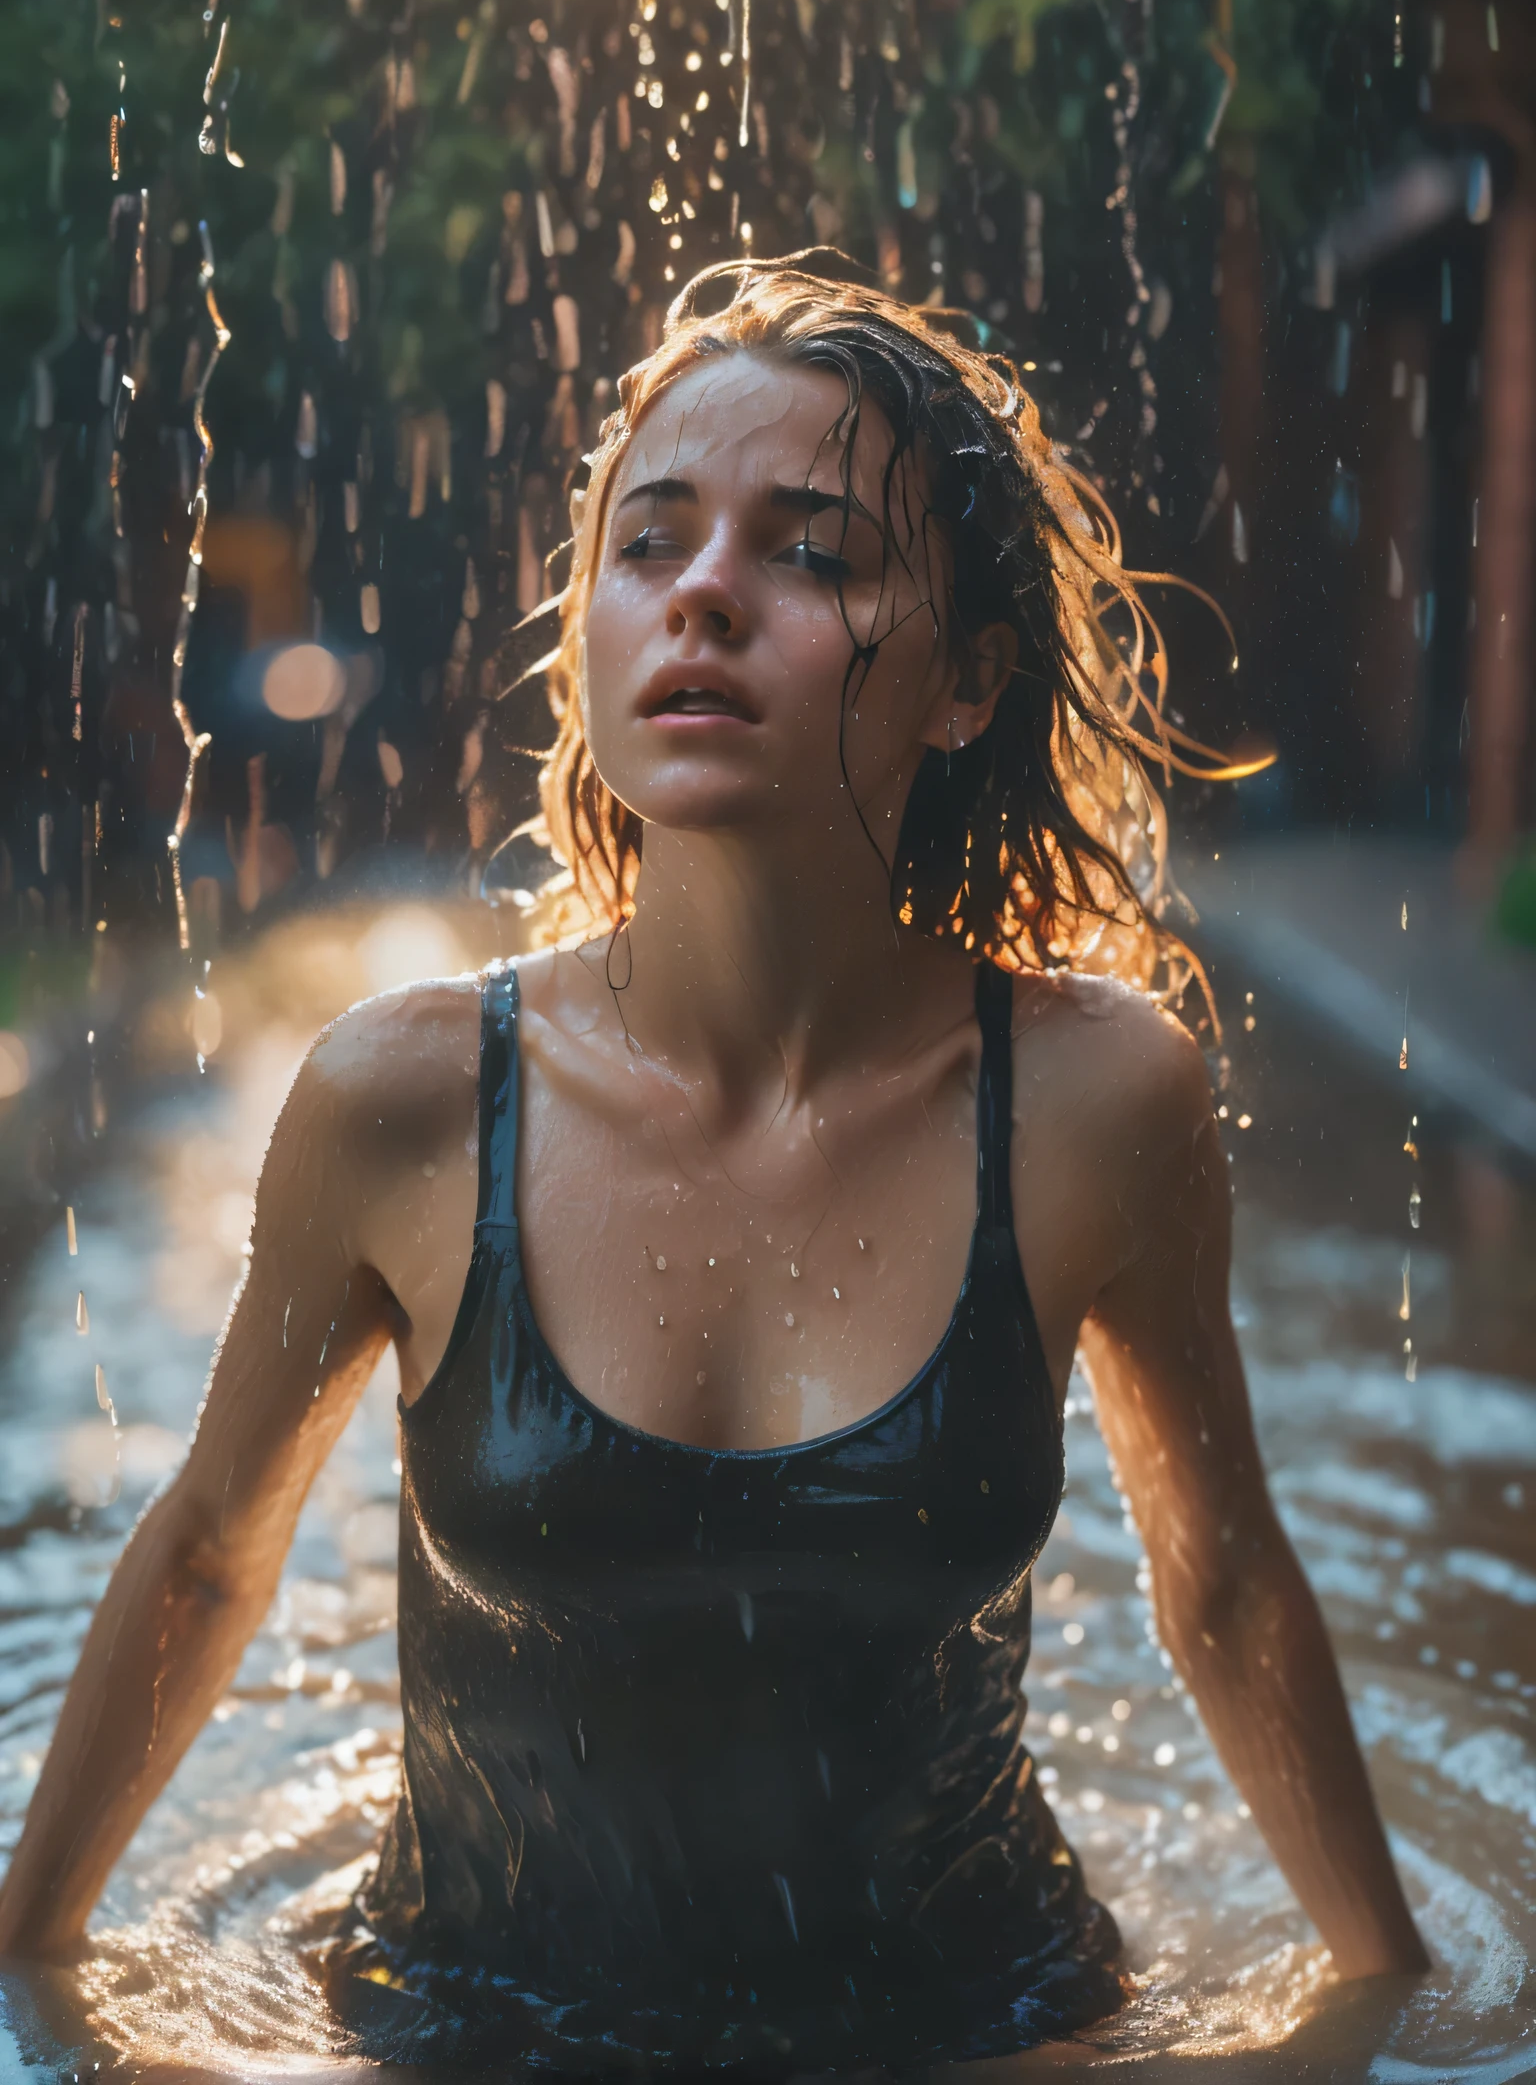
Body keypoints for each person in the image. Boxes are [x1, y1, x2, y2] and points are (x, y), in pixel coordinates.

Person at [0, 255, 1428, 2069]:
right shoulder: (404, 1099)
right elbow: (207, 1551)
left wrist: (1390, 2002)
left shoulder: (1097, 1101)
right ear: (588, 631)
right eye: (649, 543)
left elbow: (1221, 1578)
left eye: (812, 552)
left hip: (984, 2029)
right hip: (469, 2027)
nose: (704, 601)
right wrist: (23, 1976)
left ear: (967, 682)